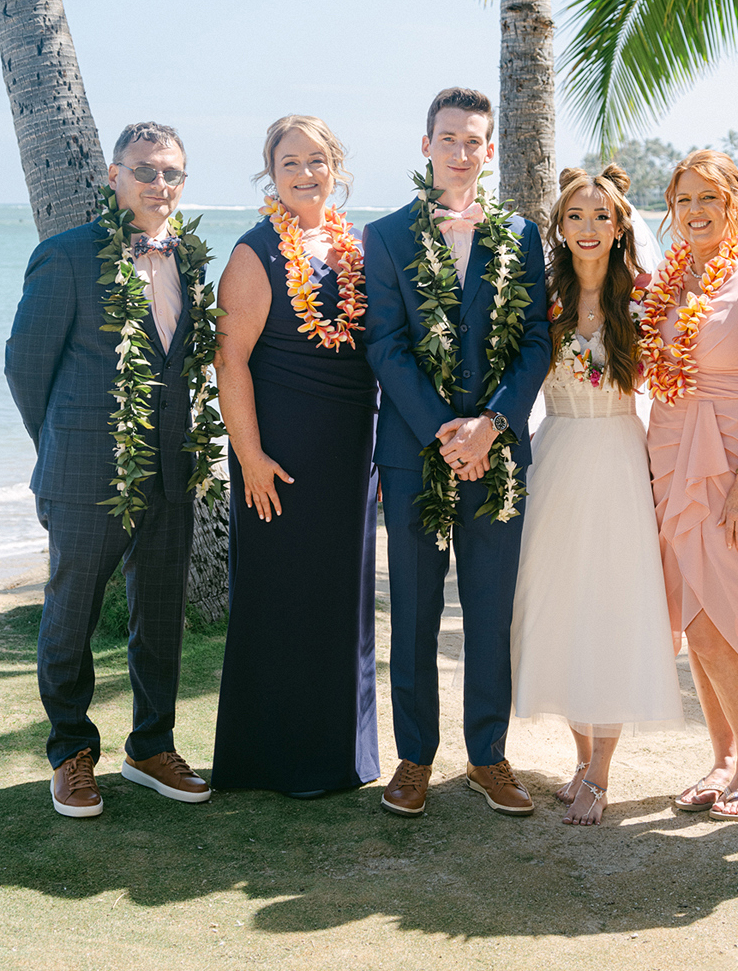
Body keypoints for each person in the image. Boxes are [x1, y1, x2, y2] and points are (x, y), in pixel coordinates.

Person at [6, 122, 212, 817]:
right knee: (71, 614)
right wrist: (62, 443)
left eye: (173, 174)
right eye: (147, 170)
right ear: (115, 176)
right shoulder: (65, 257)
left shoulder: (192, 260)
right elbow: (26, 367)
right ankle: (70, 751)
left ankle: (151, 746)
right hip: (85, 472)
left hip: (170, 474)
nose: (161, 185)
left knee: (161, 618)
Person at [363, 87, 552, 818]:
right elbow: (385, 342)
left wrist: (493, 426)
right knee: (411, 610)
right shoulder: (385, 236)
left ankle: (488, 754)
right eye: (449, 138)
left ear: (490, 149)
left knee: (490, 611)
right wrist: (447, 430)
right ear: (426, 145)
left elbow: (537, 337)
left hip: (498, 457)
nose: (461, 152)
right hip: (414, 454)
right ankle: (414, 758)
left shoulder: (522, 235)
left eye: (474, 140)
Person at [211, 116, 379, 798]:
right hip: (277, 458)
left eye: (316, 159)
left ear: (335, 165)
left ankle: (343, 758)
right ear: (270, 172)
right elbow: (230, 360)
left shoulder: (360, 248)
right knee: (280, 600)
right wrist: (249, 454)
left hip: (349, 456)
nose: (305, 172)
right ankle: (269, 761)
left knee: (343, 605)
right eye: (289, 162)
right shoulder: (254, 253)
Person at [511, 165, 683, 826]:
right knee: (557, 606)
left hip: (615, 455)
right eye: (576, 215)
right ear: (560, 224)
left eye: (601, 216)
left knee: (612, 606)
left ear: (620, 225)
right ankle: (580, 755)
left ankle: (603, 770)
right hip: (555, 455)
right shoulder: (540, 296)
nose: (588, 228)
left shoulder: (643, 297)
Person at [643, 150, 738, 822]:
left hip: (734, 460)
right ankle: (724, 758)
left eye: (709, 198)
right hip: (673, 455)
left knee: (718, 622)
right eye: (684, 200)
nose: (696, 211)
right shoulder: (671, 281)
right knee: (691, 616)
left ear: (735, 202)